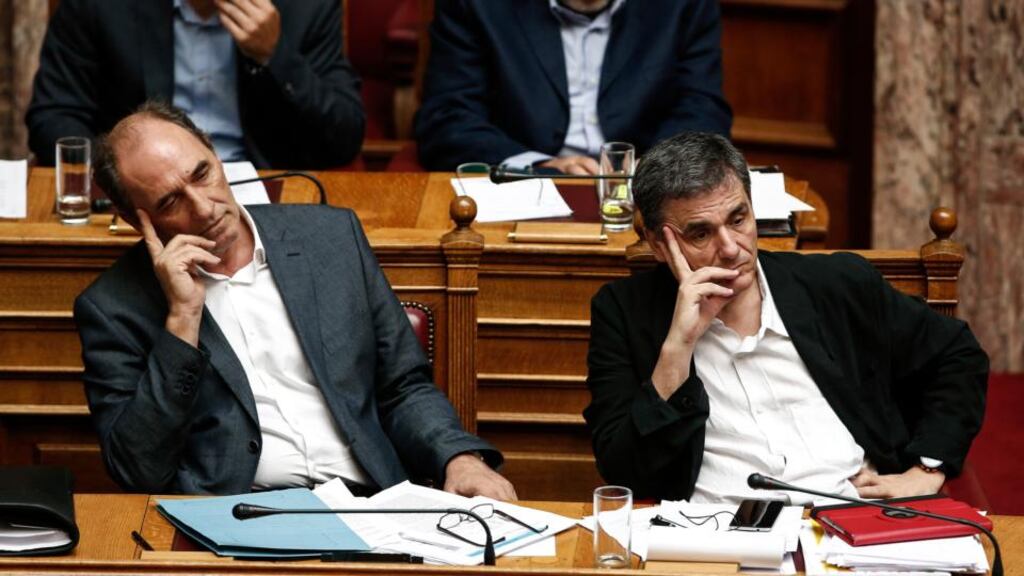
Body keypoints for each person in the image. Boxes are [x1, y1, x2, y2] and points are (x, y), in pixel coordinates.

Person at [74, 102, 514, 499]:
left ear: (214, 152)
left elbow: (401, 386)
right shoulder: (113, 307)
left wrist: (459, 458)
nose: (204, 208)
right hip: (232, 517)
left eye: (202, 174)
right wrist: (182, 318)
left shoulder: (331, 237)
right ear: (135, 219)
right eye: (171, 201)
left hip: (369, 504)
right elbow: (138, 470)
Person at [583, 132, 988, 503]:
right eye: (701, 234)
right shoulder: (624, 313)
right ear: (658, 244)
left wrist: (926, 470)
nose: (731, 248)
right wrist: (678, 348)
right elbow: (624, 469)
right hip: (716, 535)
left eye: (738, 220)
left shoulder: (836, 283)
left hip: (849, 520)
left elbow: (957, 355)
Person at [27, 0, 364, 169]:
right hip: (140, 199)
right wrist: (121, 179)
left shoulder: (306, 6)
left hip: (264, 197)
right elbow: (54, 117)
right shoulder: (100, 6)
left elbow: (344, 137)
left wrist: (275, 55)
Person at [414, 0, 732, 173]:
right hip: (527, 188)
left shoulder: (682, 6)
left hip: (643, 193)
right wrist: (539, 165)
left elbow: (703, 109)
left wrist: (655, 167)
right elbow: (447, 119)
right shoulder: (477, 6)